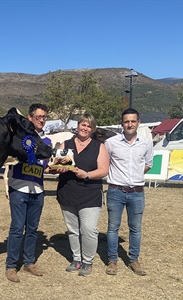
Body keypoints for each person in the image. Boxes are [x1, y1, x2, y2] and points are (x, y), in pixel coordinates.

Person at [51, 113, 109, 276]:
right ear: (78, 126)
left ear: (93, 129)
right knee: (73, 230)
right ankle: (76, 259)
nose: (85, 128)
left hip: (90, 195)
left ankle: (87, 262)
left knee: (89, 229)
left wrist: (87, 175)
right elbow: (52, 167)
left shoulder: (99, 146)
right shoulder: (65, 144)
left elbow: (104, 170)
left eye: (89, 126)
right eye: (83, 124)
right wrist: (58, 168)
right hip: (67, 193)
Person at [4, 103, 52, 283]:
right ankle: (11, 266)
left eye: (44, 117)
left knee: (32, 229)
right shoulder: (19, 138)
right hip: (19, 189)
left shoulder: (47, 141)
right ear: (30, 118)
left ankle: (29, 262)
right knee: (17, 228)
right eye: (38, 117)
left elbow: (44, 167)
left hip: (38, 191)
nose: (41, 120)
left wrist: (55, 167)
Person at [104, 108, 153, 276]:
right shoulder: (111, 143)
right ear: (122, 124)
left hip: (137, 192)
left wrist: (135, 177)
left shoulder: (146, 143)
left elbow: (148, 164)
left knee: (136, 228)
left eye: (133, 121)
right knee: (112, 227)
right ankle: (112, 260)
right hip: (115, 191)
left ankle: (134, 260)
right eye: (126, 121)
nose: (130, 124)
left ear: (138, 122)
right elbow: (106, 163)